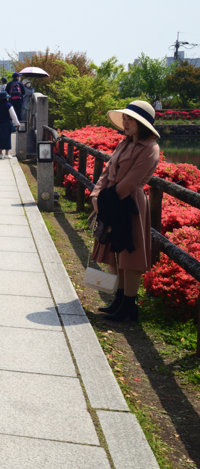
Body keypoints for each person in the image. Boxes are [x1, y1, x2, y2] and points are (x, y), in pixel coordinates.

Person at [90, 101, 162, 322]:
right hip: (112, 201)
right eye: (125, 118)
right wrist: (96, 194)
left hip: (130, 205)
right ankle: (119, 300)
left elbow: (131, 181)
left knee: (129, 256)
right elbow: (107, 170)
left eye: (130, 119)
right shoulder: (124, 143)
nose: (125, 122)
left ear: (142, 124)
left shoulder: (150, 148)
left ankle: (129, 305)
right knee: (113, 252)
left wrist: (107, 202)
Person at [0, 91, 20, 158]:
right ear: (6, 98)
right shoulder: (9, 105)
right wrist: (17, 123)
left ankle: (0, 153)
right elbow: (13, 116)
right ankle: (6, 153)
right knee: (7, 139)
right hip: (6, 124)